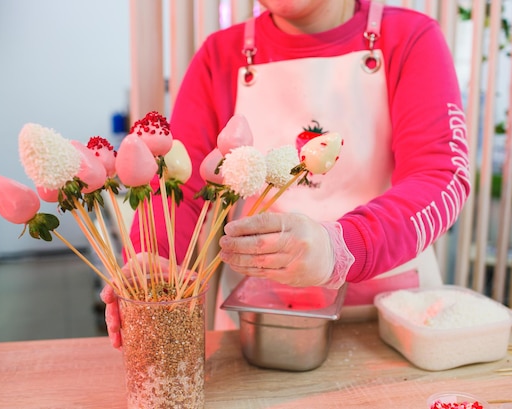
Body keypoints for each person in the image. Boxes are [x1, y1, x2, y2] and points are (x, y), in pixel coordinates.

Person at [103, 0, 471, 338]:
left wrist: (341, 247)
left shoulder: (410, 38)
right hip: (260, 322)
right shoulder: (220, 56)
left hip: (391, 318)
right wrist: (155, 259)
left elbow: (439, 176)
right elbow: (178, 188)